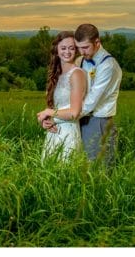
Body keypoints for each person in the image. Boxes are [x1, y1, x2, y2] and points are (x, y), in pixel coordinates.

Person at [74, 23, 122, 164]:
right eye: (78, 48)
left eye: (85, 47)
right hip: (81, 117)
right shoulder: (81, 60)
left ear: (97, 42)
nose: (82, 52)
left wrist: (67, 116)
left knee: (99, 166)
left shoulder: (108, 65)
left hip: (99, 121)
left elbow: (91, 102)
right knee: (81, 163)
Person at [36, 31, 87, 161]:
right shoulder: (57, 75)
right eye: (63, 48)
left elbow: (75, 112)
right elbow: (54, 107)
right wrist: (45, 122)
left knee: (65, 173)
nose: (67, 52)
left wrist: (49, 112)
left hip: (68, 133)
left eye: (71, 48)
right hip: (53, 132)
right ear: (57, 51)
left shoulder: (77, 74)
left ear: (76, 50)